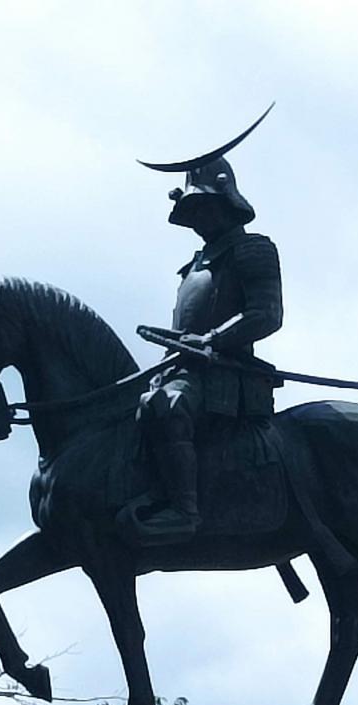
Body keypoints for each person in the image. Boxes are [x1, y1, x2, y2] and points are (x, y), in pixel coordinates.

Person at [136, 119, 283, 543]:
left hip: (227, 374)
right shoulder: (194, 266)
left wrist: (212, 340)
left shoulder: (253, 250)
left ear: (224, 203)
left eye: (202, 208)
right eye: (192, 212)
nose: (197, 219)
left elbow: (266, 314)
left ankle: (184, 510)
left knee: (168, 406)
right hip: (184, 370)